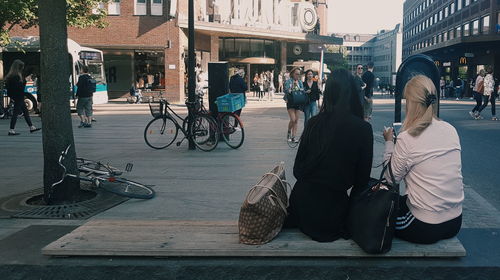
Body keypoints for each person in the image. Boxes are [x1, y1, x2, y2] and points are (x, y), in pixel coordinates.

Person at [284, 68, 372, 242]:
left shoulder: (314, 123)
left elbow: (297, 171)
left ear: (329, 92)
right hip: (332, 214)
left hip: (301, 208)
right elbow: (361, 183)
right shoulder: (362, 129)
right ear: (353, 93)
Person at [383, 75, 463, 244]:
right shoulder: (451, 130)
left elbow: (390, 179)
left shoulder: (408, 137)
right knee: (402, 201)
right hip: (455, 220)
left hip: (425, 225)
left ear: (411, 103)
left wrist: (390, 143)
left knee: (381, 218)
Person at [5, 60, 41, 135]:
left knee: (25, 111)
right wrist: (25, 81)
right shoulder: (16, 77)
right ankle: (11, 129)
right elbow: (20, 87)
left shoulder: (11, 76)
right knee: (16, 113)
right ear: (19, 68)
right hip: (19, 96)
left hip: (16, 96)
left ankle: (31, 127)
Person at [284, 67, 304, 143]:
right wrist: (292, 86)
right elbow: (286, 90)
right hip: (291, 101)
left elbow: (302, 90)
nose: (298, 76)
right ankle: (289, 131)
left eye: (299, 74)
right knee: (293, 119)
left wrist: (303, 90)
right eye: (296, 74)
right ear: (292, 74)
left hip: (298, 101)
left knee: (296, 120)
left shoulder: (300, 82)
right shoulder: (288, 81)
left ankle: (293, 137)